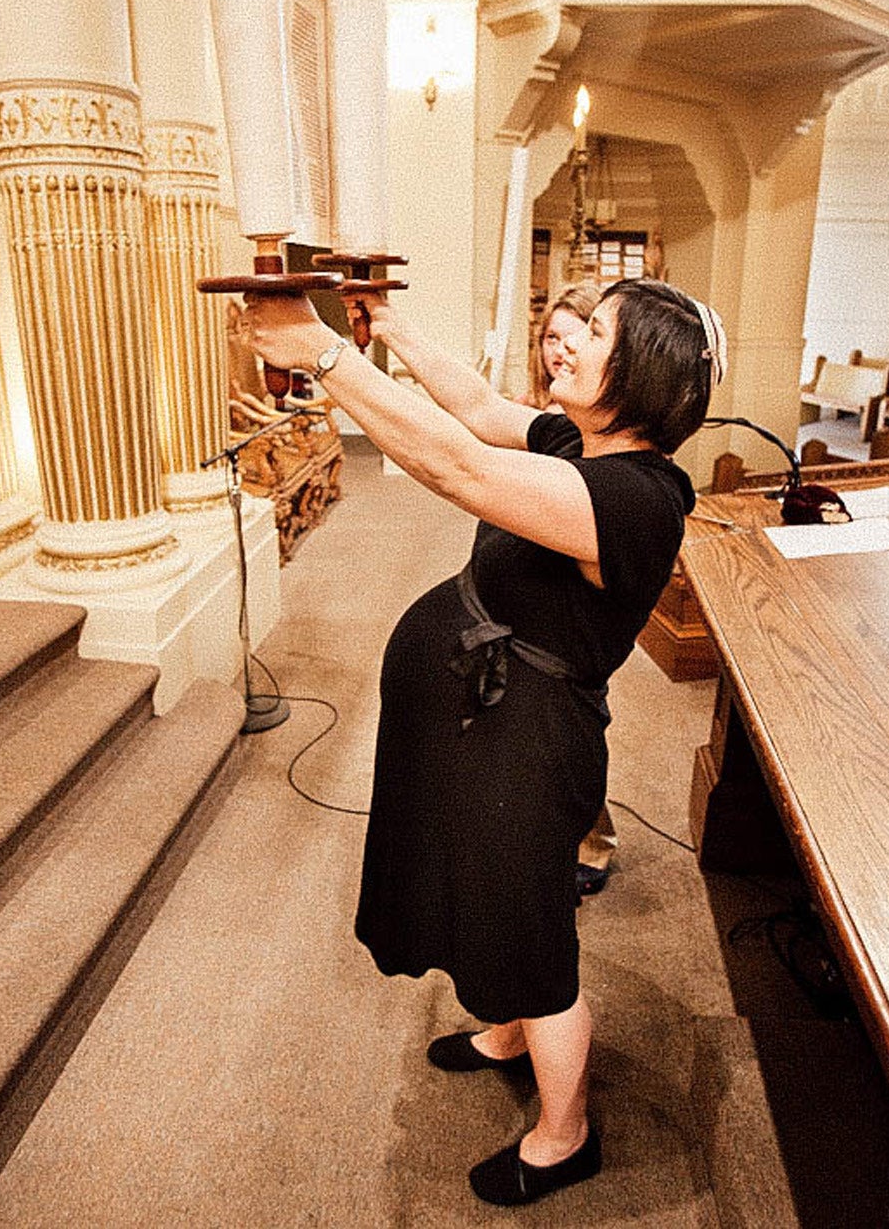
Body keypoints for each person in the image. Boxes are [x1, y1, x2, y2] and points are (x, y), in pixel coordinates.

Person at [245, 277, 726, 1208]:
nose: (567, 338)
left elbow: (456, 465)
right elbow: (472, 407)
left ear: (646, 371)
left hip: (527, 742)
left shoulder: (636, 496)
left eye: (596, 331)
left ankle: (565, 1133)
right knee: (481, 897)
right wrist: (393, 330)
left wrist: (328, 358)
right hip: (482, 721)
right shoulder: (579, 441)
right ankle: (504, 1032)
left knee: (529, 934)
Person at [521, 282, 620, 897]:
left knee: (575, 735)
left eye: (575, 336)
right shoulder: (547, 413)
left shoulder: (596, 432)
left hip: (574, 612)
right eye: (550, 338)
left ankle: (596, 840)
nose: (560, 350)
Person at [521, 282, 602, 410]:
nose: (559, 350)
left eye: (574, 339)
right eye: (552, 337)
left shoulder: (611, 420)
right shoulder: (523, 407)